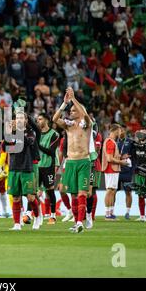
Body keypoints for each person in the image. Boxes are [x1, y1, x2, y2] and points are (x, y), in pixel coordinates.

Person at [52, 87, 92, 233]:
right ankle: (77, 222)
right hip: (70, 162)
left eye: (74, 110)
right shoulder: (68, 127)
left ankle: (80, 221)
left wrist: (74, 98)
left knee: (82, 193)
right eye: (71, 110)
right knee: (73, 194)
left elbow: (86, 115)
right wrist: (64, 104)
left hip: (83, 162)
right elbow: (54, 119)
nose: (71, 112)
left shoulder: (86, 125)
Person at [5, 110, 41, 231]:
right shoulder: (12, 132)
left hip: (27, 167)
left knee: (30, 197)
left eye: (21, 118)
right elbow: (5, 147)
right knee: (16, 197)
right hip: (14, 167)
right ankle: (16, 224)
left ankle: (37, 216)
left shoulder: (31, 132)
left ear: (26, 120)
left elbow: (28, 143)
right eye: (17, 118)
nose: (19, 120)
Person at [102, 124, 130, 220]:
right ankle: (107, 214)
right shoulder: (110, 142)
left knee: (112, 191)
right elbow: (109, 159)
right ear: (115, 130)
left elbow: (112, 156)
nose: (120, 132)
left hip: (113, 169)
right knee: (109, 190)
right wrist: (122, 162)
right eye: (119, 130)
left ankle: (110, 213)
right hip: (111, 169)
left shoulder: (112, 141)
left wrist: (121, 157)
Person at [36, 113, 59, 225]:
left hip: (48, 166)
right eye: (37, 119)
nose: (38, 121)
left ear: (46, 120)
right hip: (37, 166)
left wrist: (37, 145)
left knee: (49, 191)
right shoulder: (36, 134)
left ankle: (53, 215)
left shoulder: (54, 134)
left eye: (40, 119)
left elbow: (51, 152)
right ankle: (31, 214)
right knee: (33, 191)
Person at [117, 126, 135, 220]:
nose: (121, 132)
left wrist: (133, 170)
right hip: (116, 169)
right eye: (119, 130)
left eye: (122, 130)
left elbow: (133, 156)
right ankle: (111, 212)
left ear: (125, 131)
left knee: (128, 191)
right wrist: (120, 157)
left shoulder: (130, 142)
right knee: (112, 191)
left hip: (127, 170)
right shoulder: (114, 141)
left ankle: (127, 212)